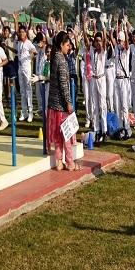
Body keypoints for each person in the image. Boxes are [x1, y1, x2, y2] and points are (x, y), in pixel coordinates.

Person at [47, 31, 79, 171]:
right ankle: (70, 162)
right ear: (61, 45)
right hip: (61, 105)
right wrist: (68, 102)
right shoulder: (62, 61)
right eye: (67, 45)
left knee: (57, 136)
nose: (69, 47)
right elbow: (64, 84)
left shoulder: (54, 58)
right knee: (67, 134)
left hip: (52, 104)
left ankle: (59, 162)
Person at [14, 11, 37, 122]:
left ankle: (30, 112)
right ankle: (24, 112)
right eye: (20, 32)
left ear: (26, 33)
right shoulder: (19, 43)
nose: (21, 34)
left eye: (23, 32)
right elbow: (16, 51)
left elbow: (34, 51)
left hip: (27, 68)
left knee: (28, 90)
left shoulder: (28, 42)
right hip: (20, 67)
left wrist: (31, 56)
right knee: (22, 90)